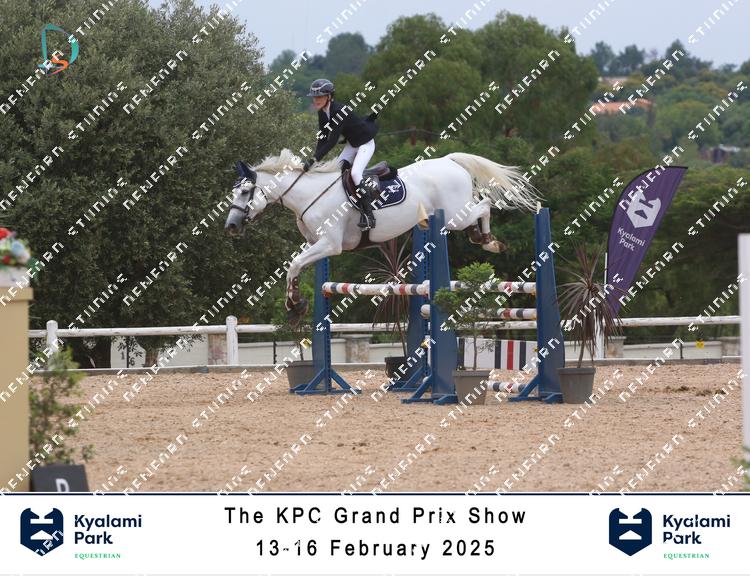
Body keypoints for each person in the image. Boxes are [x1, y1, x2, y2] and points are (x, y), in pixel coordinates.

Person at [302, 78, 379, 230]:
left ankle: (369, 215)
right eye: (314, 97)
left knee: (355, 173)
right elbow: (323, 138)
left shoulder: (339, 111)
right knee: (337, 172)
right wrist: (313, 159)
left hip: (365, 143)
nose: (316, 100)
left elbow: (332, 142)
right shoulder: (322, 112)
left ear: (329, 96)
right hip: (352, 143)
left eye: (319, 97)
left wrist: (313, 160)